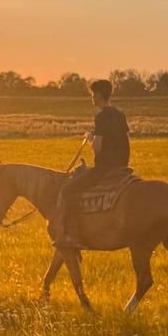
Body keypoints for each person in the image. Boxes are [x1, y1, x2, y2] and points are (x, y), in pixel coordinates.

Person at [52, 78, 131, 247]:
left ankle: (71, 234)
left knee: (68, 190)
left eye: (93, 94)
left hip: (105, 168)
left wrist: (89, 138)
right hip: (123, 166)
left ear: (100, 95)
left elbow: (97, 148)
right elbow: (125, 141)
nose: (92, 97)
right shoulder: (120, 115)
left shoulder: (101, 117)